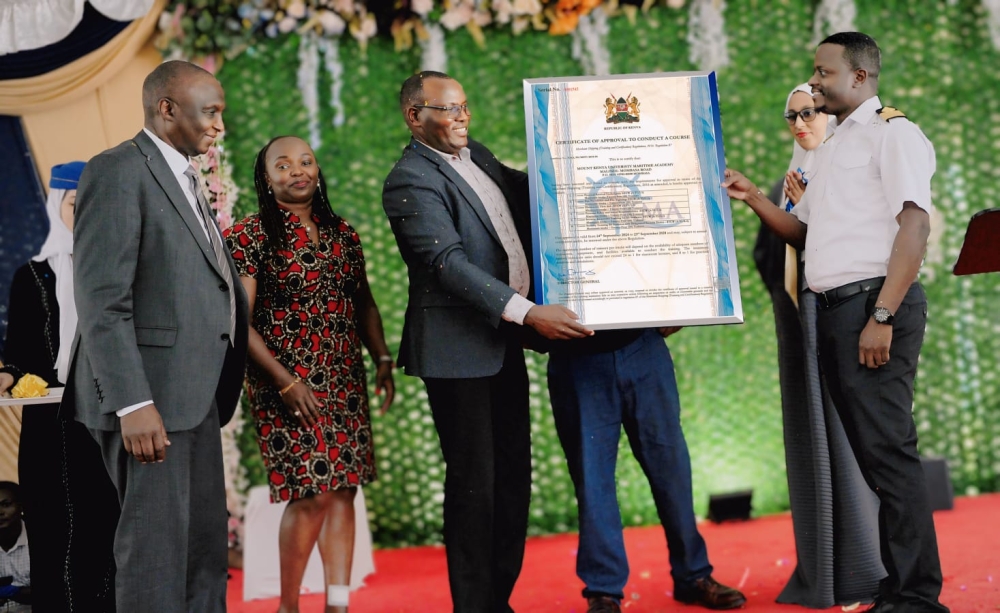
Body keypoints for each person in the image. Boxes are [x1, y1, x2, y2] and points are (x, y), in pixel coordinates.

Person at [724, 32, 947, 613]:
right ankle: (896, 587)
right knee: (875, 457)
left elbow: (914, 228)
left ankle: (919, 596)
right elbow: (808, 235)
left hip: (874, 305)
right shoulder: (830, 145)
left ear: (860, 78)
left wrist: (882, 314)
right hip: (837, 312)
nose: (815, 81)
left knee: (890, 454)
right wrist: (753, 197)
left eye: (823, 72)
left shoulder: (893, 133)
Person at [382, 70, 592, 612]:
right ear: (415, 116)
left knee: (512, 479)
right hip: (457, 352)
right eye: (447, 109)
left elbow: (532, 190)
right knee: (475, 486)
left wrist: (590, 168)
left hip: (501, 344)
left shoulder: (476, 153)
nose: (460, 118)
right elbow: (446, 264)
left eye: (464, 107)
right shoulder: (409, 179)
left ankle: (499, 600)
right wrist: (528, 314)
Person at [63, 60, 249, 613]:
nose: (219, 126)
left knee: (202, 553)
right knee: (157, 557)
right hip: (149, 403)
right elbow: (102, 298)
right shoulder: (118, 170)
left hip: (194, 399)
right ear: (167, 109)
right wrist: (134, 401)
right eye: (210, 112)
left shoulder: (185, 174)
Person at [223, 135, 393, 613]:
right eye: (283, 165)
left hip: (343, 377)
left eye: (306, 161)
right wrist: (284, 381)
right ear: (266, 177)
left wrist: (381, 358)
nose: (297, 171)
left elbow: (364, 303)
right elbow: (241, 321)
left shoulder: (342, 233)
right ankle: (290, 606)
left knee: (343, 487)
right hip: (286, 384)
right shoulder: (250, 235)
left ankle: (337, 605)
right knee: (310, 492)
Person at [754, 84, 886, 609]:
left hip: (849, 326)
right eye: (791, 116)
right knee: (816, 441)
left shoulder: (857, 173)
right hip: (803, 333)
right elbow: (769, 262)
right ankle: (830, 572)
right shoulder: (786, 183)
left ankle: (872, 572)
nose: (800, 123)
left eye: (808, 112)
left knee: (859, 446)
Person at [546, 327, 747, 612]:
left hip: (644, 345)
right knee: (593, 481)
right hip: (576, 356)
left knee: (672, 471)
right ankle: (603, 592)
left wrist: (679, 309)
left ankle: (694, 575)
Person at [0, 162, 119, 613]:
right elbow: (19, 354)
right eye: (75, 204)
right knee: (51, 522)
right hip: (48, 418)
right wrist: (7, 377)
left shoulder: (117, 271)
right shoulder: (30, 276)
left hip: (106, 415)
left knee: (105, 518)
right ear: (57, 206)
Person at [0, 482, 30, 613]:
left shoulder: (42, 541)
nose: (0, 512)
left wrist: (18, 592)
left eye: (6, 505)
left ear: (21, 506)